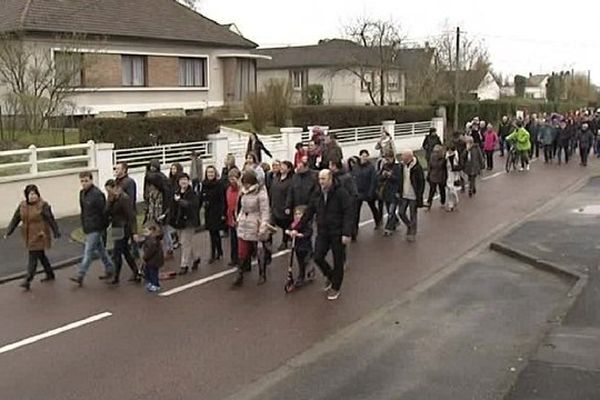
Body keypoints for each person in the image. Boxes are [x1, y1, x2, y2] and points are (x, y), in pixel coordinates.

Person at [294, 169, 352, 301]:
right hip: (323, 231)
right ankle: (331, 277)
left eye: (323, 179)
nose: (321, 182)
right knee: (318, 256)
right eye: (319, 179)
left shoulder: (341, 193)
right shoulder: (317, 193)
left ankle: (336, 287)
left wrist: (346, 232)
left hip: (337, 232)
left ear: (330, 179)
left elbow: (349, 212)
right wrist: (297, 228)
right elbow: (309, 212)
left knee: (338, 261)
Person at [5, 185, 60, 291]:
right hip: (28, 234)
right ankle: (50, 273)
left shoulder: (43, 205)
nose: (33, 196)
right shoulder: (22, 206)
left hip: (40, 234)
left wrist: (56, 232)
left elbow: (50, 219)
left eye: (35, 194)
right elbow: (15, 219)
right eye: (31, 194)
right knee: (41, 255)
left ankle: (28, 280)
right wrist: (9, 232)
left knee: (33, 256)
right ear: (26, 195)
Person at [70, 171, 114, 286]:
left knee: (88, 251)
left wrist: (103, 226)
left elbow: (104, 212)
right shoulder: (82, 194)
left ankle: (80, 275)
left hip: (96, 227)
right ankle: (110, 268)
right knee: (101, 250)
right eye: (82, 181)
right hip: (88, 226)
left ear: (91, 180)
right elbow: (84, 211)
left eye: (86, 181)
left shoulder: (97, 194)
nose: (84, 183)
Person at [232, 170, 270, 287]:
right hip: (244, 222)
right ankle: (240, 274)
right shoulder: (243, 192)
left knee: (259, 250)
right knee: (242, 251)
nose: (246, 185)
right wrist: (238, 219)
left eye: (247, 183)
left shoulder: (261, 193)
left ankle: (262, 274)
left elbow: (265, 211)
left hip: (256, 222)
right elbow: (241, 208)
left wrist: (264, 225)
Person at [104, 179, 140, 285]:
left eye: (109, 191)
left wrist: (134, 232)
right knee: (125, 251)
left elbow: (131, 215)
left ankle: (116, 277)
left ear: (115, 188)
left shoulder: (124, 198)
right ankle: (135, 271)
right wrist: (110, 201)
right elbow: (106, 212)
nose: (108, 193)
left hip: (124, 227)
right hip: (116, 226)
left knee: (117, 252)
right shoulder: (112, 198)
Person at [170, 173, 202, 275]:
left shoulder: (192, 193)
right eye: (181, 180)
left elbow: (192, 205)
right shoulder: (176, 193)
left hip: (190, 221)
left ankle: (184, 265)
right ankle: (196, 258)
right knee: (186, 242)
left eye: (185, 180)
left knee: (184, 242)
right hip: (179, 222)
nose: (183, 182)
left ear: (188, 181)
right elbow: (172, 207)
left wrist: (180, 201)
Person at [397, 150, 425, 242]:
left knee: (413, 214)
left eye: (404, 158)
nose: (402, 159)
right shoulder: (402, 166)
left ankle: (412, 232)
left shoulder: (417, 168)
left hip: (413, 195)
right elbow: (400, 179)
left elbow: (421, 182)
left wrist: (419, 195)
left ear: (409, 158)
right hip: (404, 194)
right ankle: (409, 225)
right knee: (401, 212)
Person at [285, 206, 315, 288]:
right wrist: (289, 232)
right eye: (296, 214)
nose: (297, 216)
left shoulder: (305, 224)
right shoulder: (293, 224)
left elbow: (309, 232)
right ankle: (301, 276)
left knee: (306, 260)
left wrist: (301, 235)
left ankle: (310, 269)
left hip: (306, 247)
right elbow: (288, 229)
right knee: (300, 262)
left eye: (299, 214)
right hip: (297, 247)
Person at [202, 166, 226, 264]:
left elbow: (222, 199)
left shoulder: (219, 184)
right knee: (212, 233)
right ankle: (218, 251)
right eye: (208, 173)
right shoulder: (204, 184)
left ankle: (215, 253)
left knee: (215, 233)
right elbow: (202, 196)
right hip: (208, 211)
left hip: (217, 211)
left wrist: (223, 213)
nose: (210, 174)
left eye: (212, 172)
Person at [329, 159, 358, 241]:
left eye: (330, 165)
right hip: (337, 202)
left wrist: (351, 200)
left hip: (347, 201)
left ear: (335, 166)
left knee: (349, 217)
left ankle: (352, 232)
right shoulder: (332, 176)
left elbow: (352, 190)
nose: (329, 167)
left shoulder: (346, 177)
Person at [354, 149, 382, 230]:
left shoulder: (371, 167)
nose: (364, 158)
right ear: (360, 156)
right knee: (356, 211)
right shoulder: (356, 166)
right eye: (363, 156)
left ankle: (378, 221)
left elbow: (373, 180)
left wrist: (371, 192)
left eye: (366, 156)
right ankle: (354, 229)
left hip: (368, 191)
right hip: (358, 192)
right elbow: (353, 177)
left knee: (372, 207)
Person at [270, 160, 294, 251]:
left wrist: (288, 206)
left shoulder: (291, 181)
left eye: (284, 166)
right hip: (275, 205)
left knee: (285, 224)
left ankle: (284, 241)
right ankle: (268, 242)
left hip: (284, 206)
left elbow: (290, 194)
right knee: (271, 224)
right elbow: (272, 190)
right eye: (281, 166)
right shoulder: (276, 178)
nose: (281, 168)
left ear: (289, 169)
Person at [378, 152, 401, 236]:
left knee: (391, 211)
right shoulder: (384, 167)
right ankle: (395, 221)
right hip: (386, 192)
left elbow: (399, 180)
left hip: (394, 192)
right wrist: (383, 176)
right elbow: (379, 178)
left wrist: (390, 176)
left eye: (388, 159)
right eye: (386, 159)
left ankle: (388, 229)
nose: (387, 161)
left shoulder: (397, 167)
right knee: (389, 210)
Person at [137, 224, 164, 293]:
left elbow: (150, 250)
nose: (145, 233)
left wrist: (145, 257)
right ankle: (152, 283)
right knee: (149, 271)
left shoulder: (152, 240)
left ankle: (155, 284)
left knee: (153, 272)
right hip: (152, 260)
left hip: (153, 260)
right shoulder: (150, 239)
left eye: (147, 231)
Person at [225, 168, 242, 267]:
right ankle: (234, 258)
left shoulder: (241, 190)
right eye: (230, 179)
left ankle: (242, 258)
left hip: (239, 218)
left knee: (240, 240)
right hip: (231, 217)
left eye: (234, 178)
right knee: (233, 240)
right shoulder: (228, 190)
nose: (232, 181)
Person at [426, 144, 447, 209]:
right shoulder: (442, 158)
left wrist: (428, 174)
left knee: (435, 190)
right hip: (437, 176)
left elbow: (431, 166)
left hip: (437, 175)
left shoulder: (441, 158)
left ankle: (430, 202)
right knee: (438, 190)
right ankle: (440, 203)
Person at [445, 146, 461, 212]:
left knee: (452, 188)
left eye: (450, 150)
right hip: (448, 174)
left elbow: (457, 165)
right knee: (449, 190)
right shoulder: (446, 156)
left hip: (454, 174)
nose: (449, 152)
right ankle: (451, 205)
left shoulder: (455, 155)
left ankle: (456, 201)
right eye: (448, 150)